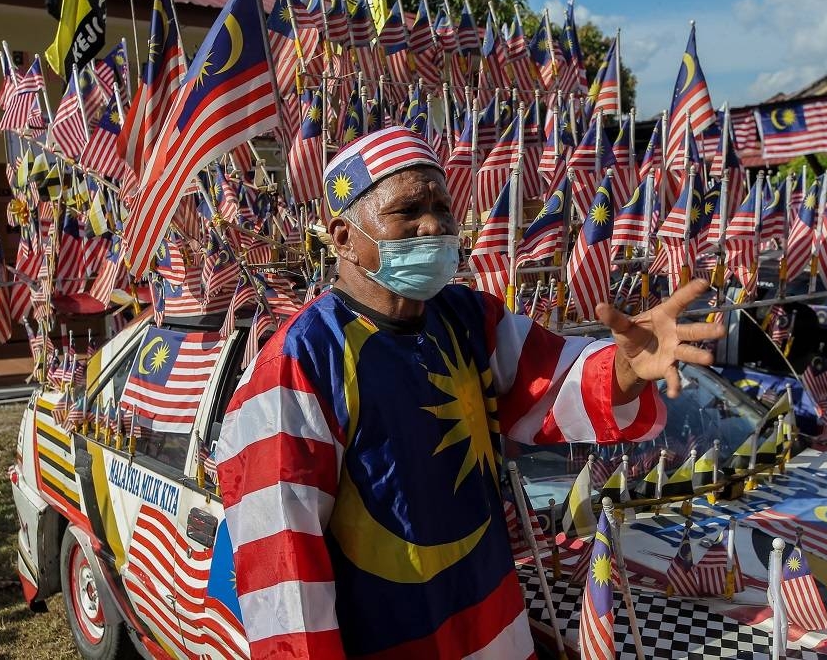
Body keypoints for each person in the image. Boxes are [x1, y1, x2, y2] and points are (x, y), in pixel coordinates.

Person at [217, 127, 723, 659]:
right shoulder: (297, 367)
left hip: (495, 627)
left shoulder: (466, 317)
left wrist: (627, 366)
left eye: (442, 207)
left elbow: (556, 385)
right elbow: (285, 577)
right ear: (343, 237)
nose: (434, 225)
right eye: (408, 211)